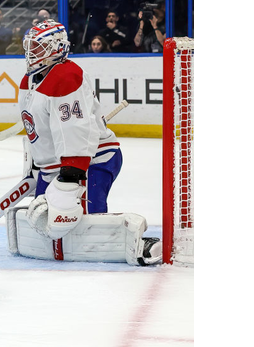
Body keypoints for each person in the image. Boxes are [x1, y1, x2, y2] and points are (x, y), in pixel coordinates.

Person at [12, 19, 161, 265]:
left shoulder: (66, 76)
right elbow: (35, 128)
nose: (31, 53)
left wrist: (70, 175)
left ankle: (139, 245)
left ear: (56, 48)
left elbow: (74, 130)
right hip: (54, 166)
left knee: (90, 221)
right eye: (30, 47)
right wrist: (35, 166)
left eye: (38, 47)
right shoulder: (31, 79)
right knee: (43, 220)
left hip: (92, 159)